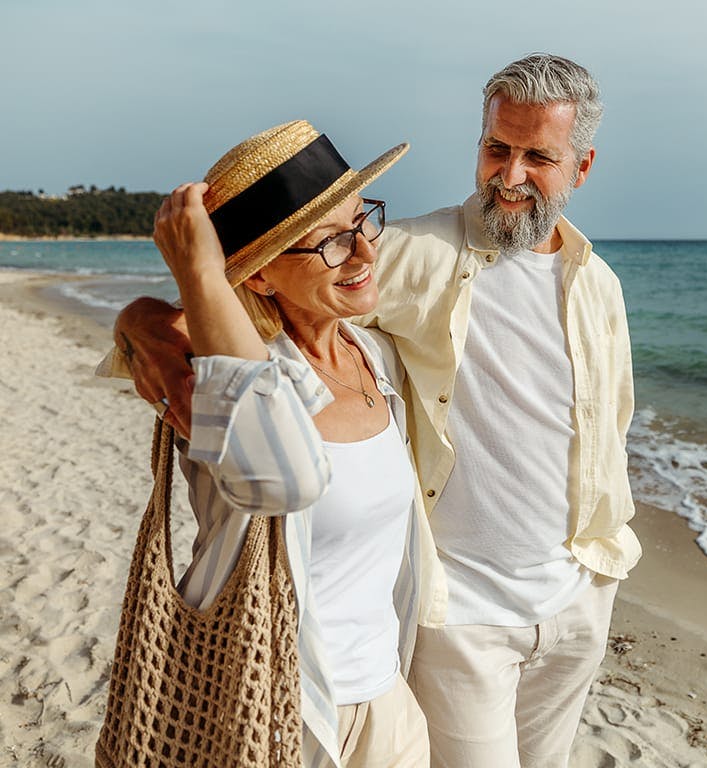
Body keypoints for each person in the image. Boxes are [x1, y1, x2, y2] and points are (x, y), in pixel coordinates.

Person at [107, 54, 641, 768]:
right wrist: (141, 320)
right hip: (460, 617)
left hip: (576, 600)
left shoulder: (597, 282)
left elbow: (609, 429)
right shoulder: (416, 253)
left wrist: (598, 571)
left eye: (538, 156)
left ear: (582, 167)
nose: (509, 176)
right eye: (496, 148)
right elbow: (248, 301)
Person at [104, 121, 430, 768]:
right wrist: (197, 275)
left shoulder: (376, 355)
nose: (365, 253)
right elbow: (283, 480)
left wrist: (136, 316)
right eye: (330, 243)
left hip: (387, 699)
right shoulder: (216, 384)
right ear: (258, 278)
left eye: (363, 221)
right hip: (268, 705)